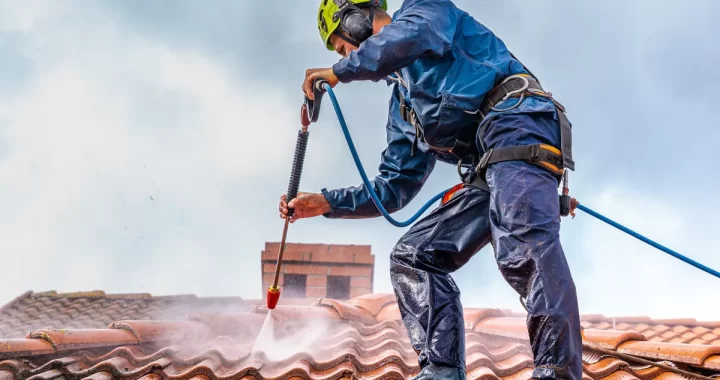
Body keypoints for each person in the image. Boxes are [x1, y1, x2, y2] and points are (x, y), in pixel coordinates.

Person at [279, 0, 583, 379]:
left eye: (343, 47)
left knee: (522, 244)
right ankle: (441, 371)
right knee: (412, 256)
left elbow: (410, 37)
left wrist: (341, 71)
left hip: (518, 125)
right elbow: (393, 187)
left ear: (355, 19)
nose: (347, 55)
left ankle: (557, 370)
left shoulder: (424, 11)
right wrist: (325, 202)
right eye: (342, 55)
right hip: (487, 166)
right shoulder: (404, 104)